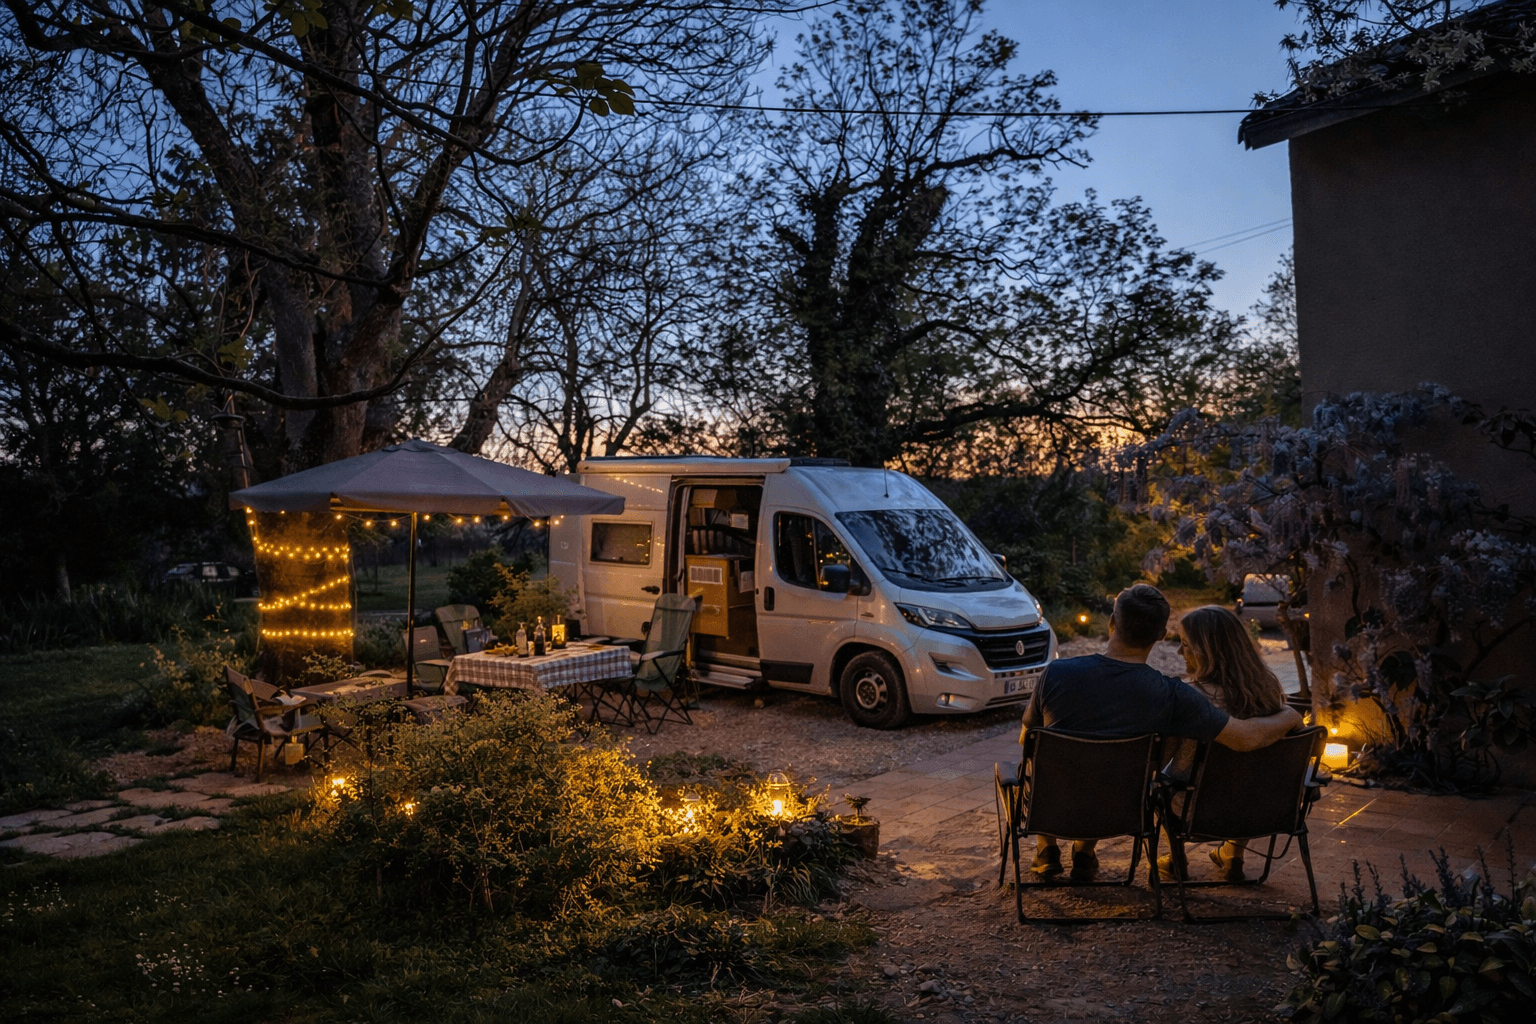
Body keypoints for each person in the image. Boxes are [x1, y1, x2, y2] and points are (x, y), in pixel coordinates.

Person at [1017, 584, 1301, 882]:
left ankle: (1046, 848)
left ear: (1112, 622)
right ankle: (1085, 853)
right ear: (1160, 635)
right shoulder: (1171, 694)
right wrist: (1291, 714)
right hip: (1120, 812)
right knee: (1115, 774)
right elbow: (1244, 737)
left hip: (1048, 809)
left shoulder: (1056, 673)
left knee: (1042, 758)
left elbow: (1027, 742)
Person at [1160, 604, 1290, 882]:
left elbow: (1163, 755)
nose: (1181, 653)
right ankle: (1233, 854)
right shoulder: (1269, 688)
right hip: (1260, 808)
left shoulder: (1189, 697)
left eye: (1186, 645)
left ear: (1208, 652)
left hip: (1195, 809)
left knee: (1161, 782)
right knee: (1243, 775)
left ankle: (1176, 857)